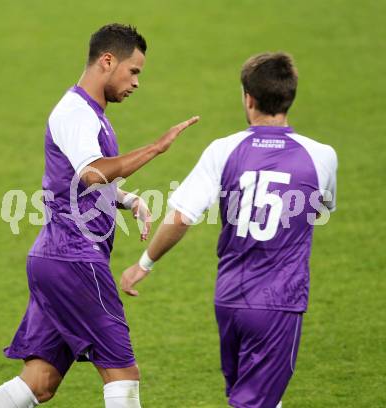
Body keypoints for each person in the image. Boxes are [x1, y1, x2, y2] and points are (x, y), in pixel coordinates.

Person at [0, 23, 198, 408]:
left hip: (55, 257)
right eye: (134, 71)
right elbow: (93, 171)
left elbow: (78, 183)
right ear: (108, 61)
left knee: (39, 382)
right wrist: (156, 148)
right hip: (75, 257)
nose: (136, 82)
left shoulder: (89, 112)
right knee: (122, 374)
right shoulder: (77, 113)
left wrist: (127, 200)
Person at [121, 52, 338, 408]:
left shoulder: (223, 150)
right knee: (255, 401)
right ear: (290, 96)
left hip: (229, 300)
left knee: (256, 395)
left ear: (248, 98)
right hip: (279, 303)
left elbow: (180, 216)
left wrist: (143, 264)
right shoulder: (321, 156)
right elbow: (322, 205)